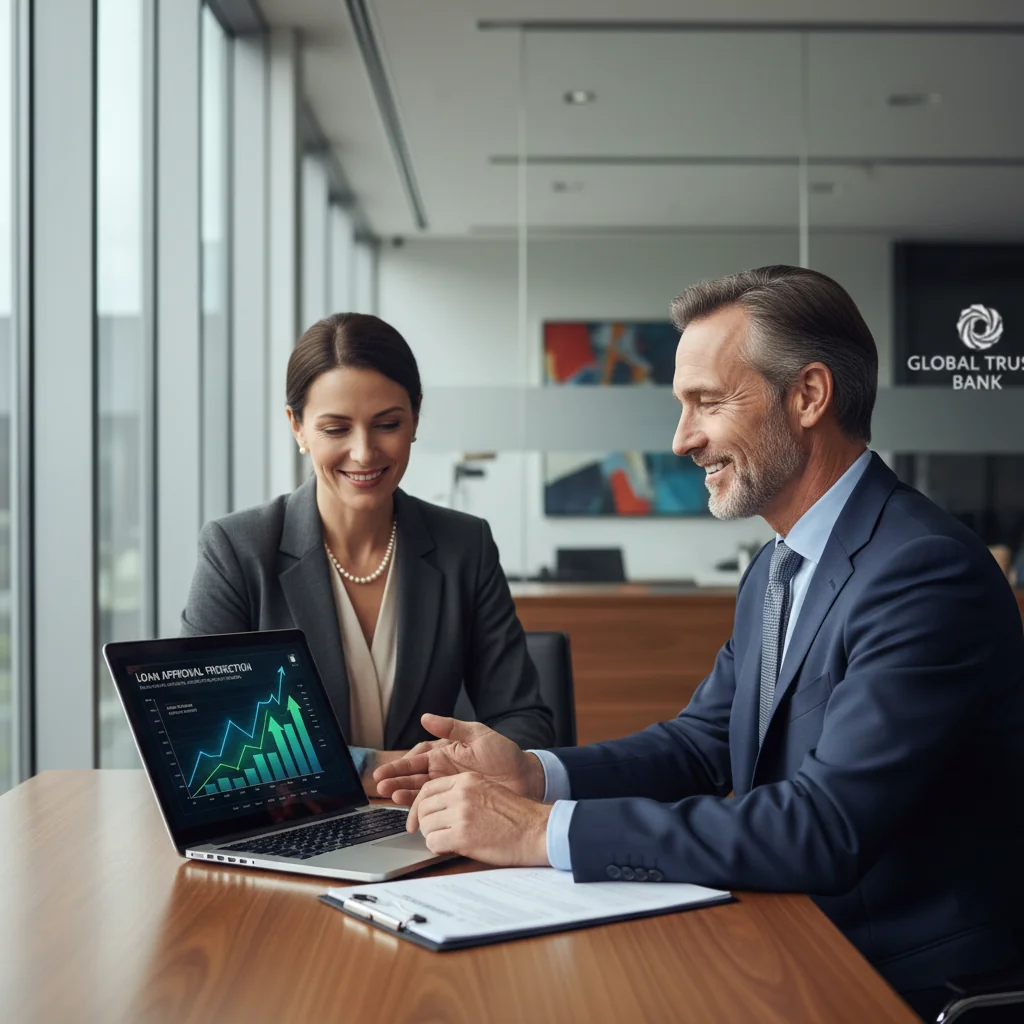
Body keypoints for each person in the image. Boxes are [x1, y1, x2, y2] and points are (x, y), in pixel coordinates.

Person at [375, 267, 1024, 1019]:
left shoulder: (921, 570)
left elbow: (822, 828)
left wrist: (538, 832)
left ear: (808, 396)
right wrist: (533, 776)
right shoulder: (776, 570)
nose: (682, 440)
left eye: (707, 403)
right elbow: (700, 744)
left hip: (897, 982)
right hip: (790, 935)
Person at [182, 312, 554, 791]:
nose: (364, 452)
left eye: (387, 424)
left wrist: (474, 766)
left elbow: (526, 722)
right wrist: (379, 764)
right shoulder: (236, 551)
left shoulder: (466, 546)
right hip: (286, 828)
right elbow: (198, 737)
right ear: (297, 427)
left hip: (429, 825)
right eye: (336, 429)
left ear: (415, 418)